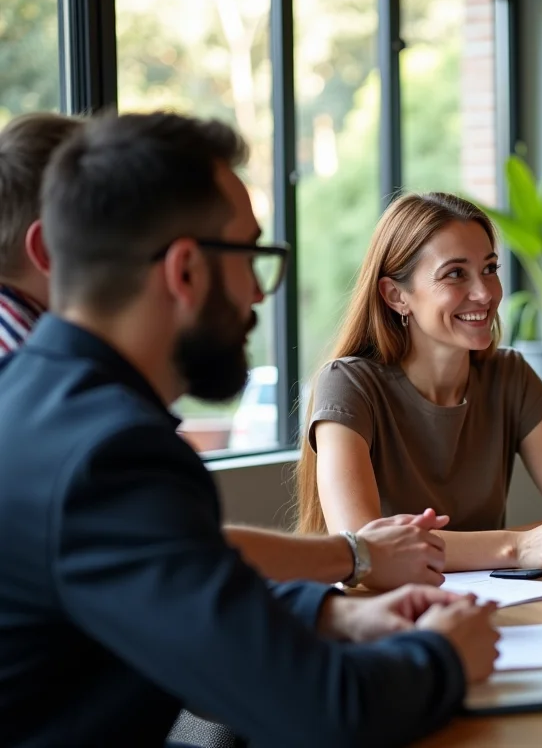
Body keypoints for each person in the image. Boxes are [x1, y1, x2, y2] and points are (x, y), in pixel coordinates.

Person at [0, 111, 500, 746]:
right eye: (252, 257)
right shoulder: (111, 455)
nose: (259, 297)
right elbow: (323, 712)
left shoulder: (32, 399)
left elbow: (179, 591)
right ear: (185, 271)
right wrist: (447, 655)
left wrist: (339, 615)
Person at [0, 111, 446, 592]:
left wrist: (339, 603)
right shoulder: (91, 431)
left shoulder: (44, 387)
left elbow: (179, 560)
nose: (257, 293)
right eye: (249, 255)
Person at [294, 192, 542, 571]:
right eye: (455, 274)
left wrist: (521, 544)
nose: (484, 294)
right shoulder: (349, 384)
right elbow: (363, 547)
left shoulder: (509, 376)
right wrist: (516, 546)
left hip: (488, 607)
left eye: (489, 268)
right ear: (396, 295)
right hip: (376, 616)